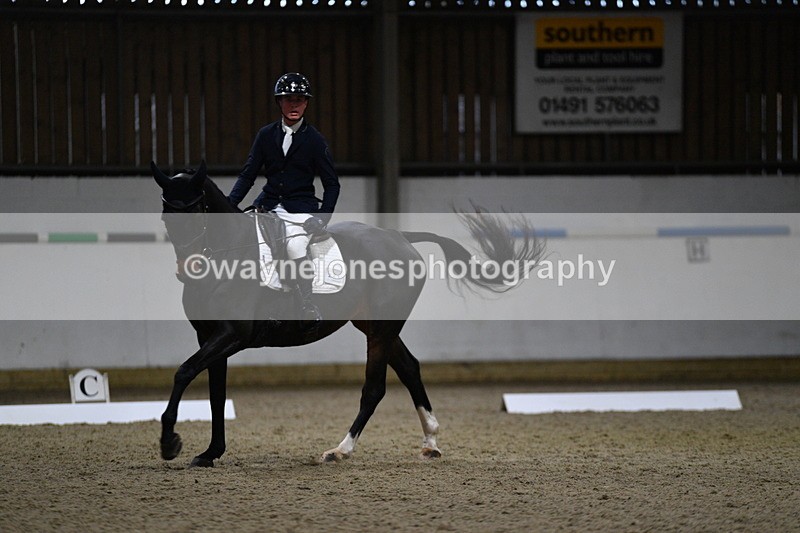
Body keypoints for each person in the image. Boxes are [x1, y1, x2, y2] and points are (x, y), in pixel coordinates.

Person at [228, 73, 340, 322]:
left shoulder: (314, 140)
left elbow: (332, 184)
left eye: (299, 100)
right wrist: (229, 204)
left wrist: (322, 218)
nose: (294, 105)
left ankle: (306, 304)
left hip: (300, 209)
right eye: (289, 100)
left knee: (295, 245)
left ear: (306, 104)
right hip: (266, 205)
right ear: (279, 102)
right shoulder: (266, 135)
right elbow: (248, 175)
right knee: (248, 243)